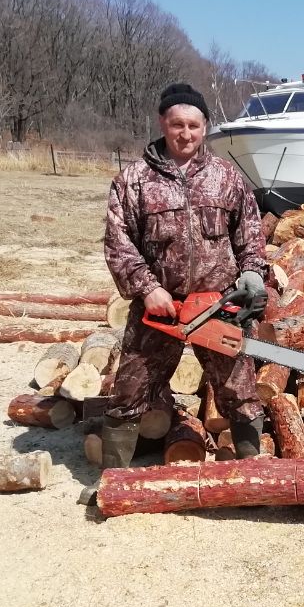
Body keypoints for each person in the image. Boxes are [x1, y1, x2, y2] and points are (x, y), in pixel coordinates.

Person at [98, 82, 269, 479]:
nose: (185, 134)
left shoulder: (228, 178)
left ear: (205, 126)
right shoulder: (134, 181)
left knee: (239, 390)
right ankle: (113, 480)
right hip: (160, 307)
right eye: (177, 125)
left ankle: (252, 475)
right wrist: (148, 288)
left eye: (193, 125)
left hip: (218, 305)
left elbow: (250, 237)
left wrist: (253, 277)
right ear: (163, 123)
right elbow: (117, 241)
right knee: (129, 390)